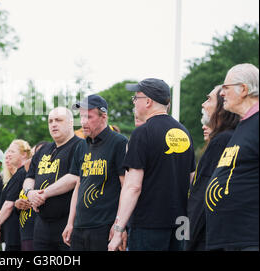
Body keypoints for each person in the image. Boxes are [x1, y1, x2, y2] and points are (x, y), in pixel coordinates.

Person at [108, 78, 195, 251]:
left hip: (150, 223)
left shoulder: (142, 133)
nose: (133, 103)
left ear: (148, 101)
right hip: (181, 223)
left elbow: (133, 187)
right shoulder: (184, 133)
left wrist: (118, 229)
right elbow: (192, 179)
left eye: (135, 98)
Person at [63, 95, 128, 251]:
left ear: (103, 116)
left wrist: (120, 226)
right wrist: (70, 222)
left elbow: (126, 186)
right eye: (81, 116)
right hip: (79, 227)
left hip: (105, 228)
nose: (83, 121)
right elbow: (78, 185)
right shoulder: (81, 146)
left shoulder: (119, 142)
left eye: (89, 116)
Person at [205, 63, 259, 251]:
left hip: (248, 240)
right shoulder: (244, 125)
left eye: (226, 88)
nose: (221, 93)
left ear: (243, 89)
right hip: (228, 239)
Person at [186, 85, 239, 251]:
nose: (203, 104)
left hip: (208, 237)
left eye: (209, 99)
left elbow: (203, 194)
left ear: (222, 107)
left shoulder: (221, 141)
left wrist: (186, 240)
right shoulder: (236, 136)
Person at [23, 107, 85, 251]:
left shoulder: (80, 145)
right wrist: (30, 193)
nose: (53, 124)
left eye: (58, 120)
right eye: (50, 121)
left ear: (70, 123)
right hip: (41, 224)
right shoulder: (43, 150)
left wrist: (44, 194)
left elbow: (74, 178)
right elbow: (29, 177)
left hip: (67, 223)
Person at [0, 139, 32, 251]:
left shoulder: (21, 174)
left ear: (24, 154)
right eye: (7, 152)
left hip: (15, 233)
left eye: (12, 152)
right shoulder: (19, 174)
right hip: (15, 232)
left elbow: (8, 205)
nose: (8, 155)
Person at [14, 141, 47, 251]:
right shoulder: (27, 176)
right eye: (34, 155)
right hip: (25, 232)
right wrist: (17, 204)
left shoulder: (48, 176)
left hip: (39, 231)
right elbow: (17, 198)